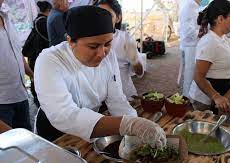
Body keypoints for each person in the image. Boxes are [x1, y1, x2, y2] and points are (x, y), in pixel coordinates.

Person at [34, 6, 166, 149]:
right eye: (93, 46)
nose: (102, 53)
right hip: (56, 134)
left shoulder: (109, 56)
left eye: (108, 44)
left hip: (93, 127)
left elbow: (117, 99)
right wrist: (129, 125)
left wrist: (135, 124)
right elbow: (65, 115)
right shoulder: (49, 60)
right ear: (70, 41)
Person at [189, 0, 230, 113]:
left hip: (221, 93)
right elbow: (198, 76)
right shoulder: (209, 42)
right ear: (220, 19)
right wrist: (216, 96)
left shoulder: (224, 39)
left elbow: (220, 63)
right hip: (205, 102)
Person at [97, 0, 144, 100]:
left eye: (108, 15)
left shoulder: (125, 39)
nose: (102, 19)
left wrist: (134, 60)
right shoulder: (88, 39)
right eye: (98, 14)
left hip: (124, 95)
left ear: (118, 18)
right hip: (98, 98)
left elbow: (140, 73)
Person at [0, 0, 33, 130]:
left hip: (20, 93)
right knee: (6, 146)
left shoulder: (6, 16)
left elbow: (16, 51)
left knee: (26, 141)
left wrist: (32, 74)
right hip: (2, 102)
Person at [22, 1, 52, 107]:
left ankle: (37, 99)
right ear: (49, 10)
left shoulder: (37, 20)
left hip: (33, 56)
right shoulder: (43, 22)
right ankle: (39, 102)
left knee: (36, 78)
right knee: (39, 79)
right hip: (38, 55)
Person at [178, 0, 201, 99]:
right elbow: (188, 30)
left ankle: (188, 97)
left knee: (190, 74)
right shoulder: (190, 5)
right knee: (190, 75)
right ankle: (187, 98)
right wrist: (201, 32)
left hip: (192, 44)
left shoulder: (193, 5)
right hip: (191, 45)